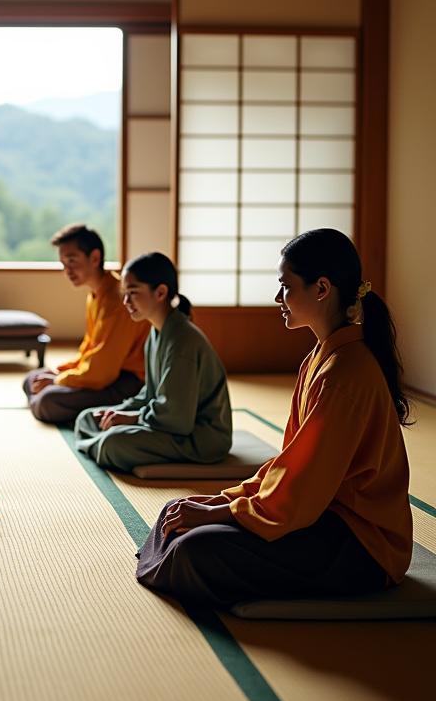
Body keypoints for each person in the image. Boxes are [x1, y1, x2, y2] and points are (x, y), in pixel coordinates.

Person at [136, 228, 413, 609]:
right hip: (318, 514)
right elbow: (289, 467)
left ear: (321, 289)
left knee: (194, 548)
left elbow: (301, 489)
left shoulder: (346, 372)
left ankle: (172, 558)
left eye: (286, 286)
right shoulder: (322, 358)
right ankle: (173, 555)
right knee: (177, 511)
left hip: (361, 545)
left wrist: (221, 512)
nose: (278, 298)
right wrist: (227, 500)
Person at [74, 251, 232, 471]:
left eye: (133, 293)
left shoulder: (182, 340)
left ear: (160, 292)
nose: (126, 302)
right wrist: (119, 411)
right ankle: (99, 445)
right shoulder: (157, 332)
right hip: (169, 424)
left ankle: (100, 446)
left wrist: (131, 419)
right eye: (124, 293)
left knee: (114, 443)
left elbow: (177, 418)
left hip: (199, 437)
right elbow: (151, 393)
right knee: (87, 418)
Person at [23, 223, 147, 424]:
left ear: (95, 258)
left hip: (127, 381)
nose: (67, 271)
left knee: (47, 400)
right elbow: (89, 351)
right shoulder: (96, 295)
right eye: (63, 264)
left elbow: (103, 372)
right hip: (103, 374)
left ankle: (48, 406)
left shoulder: (118, 300)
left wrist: (56, 380)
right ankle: (47, 404)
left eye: (72, 261)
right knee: (31, 379)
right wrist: (58, 372)